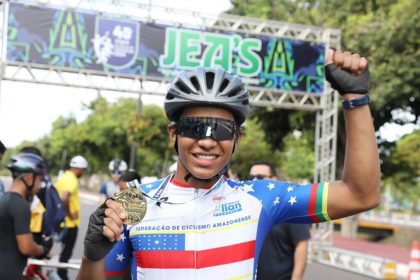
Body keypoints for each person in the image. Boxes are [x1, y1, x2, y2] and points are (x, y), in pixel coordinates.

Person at [77, 49, 380, 280]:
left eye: (221, 130)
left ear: (238, 138)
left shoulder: (259, 197)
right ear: (174, 134)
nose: (207, 141)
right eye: (195, 128)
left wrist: (355, 99)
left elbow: (360, 194)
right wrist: (90, 258)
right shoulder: (131, 201)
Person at [249, 161, 310, 280]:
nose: (255, 180)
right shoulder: (246, 208)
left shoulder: (290, 208)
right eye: (252, 177)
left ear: (274, 179)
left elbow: (301, 245)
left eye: (260, 177)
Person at [0, 153, 52, 279]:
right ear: (29, 178)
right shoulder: (21, 206)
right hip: (10, 274)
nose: (40, 184)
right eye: (39, 179)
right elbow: (26, 248)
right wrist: (43, 249)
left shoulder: (3, 199)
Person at [55, 155, 88, 280]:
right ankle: (61, 276)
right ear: (79, 168)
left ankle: (60, 274)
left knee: (64, 252)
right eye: (83, 170)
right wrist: (70, 213)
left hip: (63, 222)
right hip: (70, 223)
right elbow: (65, 197)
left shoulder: (64, 176)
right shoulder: (72, 179)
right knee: (66, 253)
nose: (83, 173)